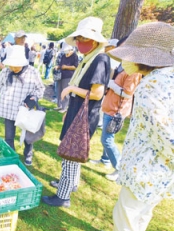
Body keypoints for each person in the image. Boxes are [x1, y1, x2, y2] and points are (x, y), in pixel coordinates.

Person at [89, 22, 174, 231]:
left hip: (147, 169)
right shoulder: (165, 79)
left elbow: (166, 135)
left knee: (127, 215)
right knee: (139, 214)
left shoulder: (153, 85)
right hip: (156, 170)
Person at [42, 17, 110, 208]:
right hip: (77, 113)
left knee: (70, 155)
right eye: (78, 39)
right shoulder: (89, 59)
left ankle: (62, 196)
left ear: (94, 41)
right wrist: (69, 110)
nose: (79, 43)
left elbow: (97, 93)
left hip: (84, 117)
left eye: (83, 39)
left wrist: (71, 89)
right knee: (74, 154)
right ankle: (71, 184)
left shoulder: (100, 60)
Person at [89, 37, 141, 181]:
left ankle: (119, 168)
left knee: (107, 140)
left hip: (116, 110)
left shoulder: (134, 71)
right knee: (108, 137)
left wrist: (112, 85)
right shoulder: (122, 65)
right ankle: (105, 160)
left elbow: (128, 93)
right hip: (110, 106)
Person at [0, 45, 45, 166]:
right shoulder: (5, 72)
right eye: (11, 64)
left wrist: (32, 99)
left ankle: (28, 155)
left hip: (25, 110)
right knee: (9, 136)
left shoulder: (33, 72)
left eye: (16, 64)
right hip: (8, 108)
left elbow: (40, 89)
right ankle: (11, 156)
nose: (13, 67)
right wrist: (4, 94)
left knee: (28, 135)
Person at [55, 42, 78, 113]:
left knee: (65, 92)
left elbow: (75, 67)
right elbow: (61, 65)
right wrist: (58, 67)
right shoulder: (63, 56)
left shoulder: (74, 56)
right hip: (60, 76)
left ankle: (64, 107)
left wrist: (66, 67)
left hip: (68, 76)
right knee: (59, 90)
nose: (65, 52)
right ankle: (59, 105)